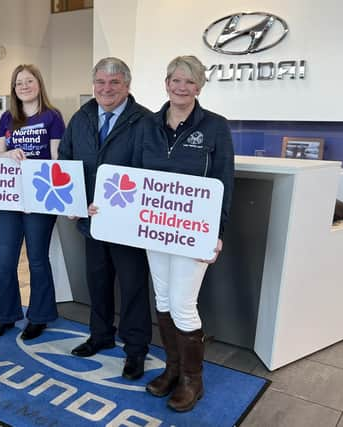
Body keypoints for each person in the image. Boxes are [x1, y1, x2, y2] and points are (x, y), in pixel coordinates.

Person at [138, 55, 234, 412]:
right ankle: (173, 370)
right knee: (162, 299)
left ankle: (194, 380)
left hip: (195, 231)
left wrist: (217, 231)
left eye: (189, 82)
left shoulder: (215, 127)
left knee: (182, 303)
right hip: (154, 228)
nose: (181, 87)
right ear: (166, 83)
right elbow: (132, 173)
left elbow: (224, 182)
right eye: (176, 80)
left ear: (200, 87)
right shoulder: (148, 125)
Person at [58, 57, 152, 380]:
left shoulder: (145, 121)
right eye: (100, 82)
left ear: (127, 85)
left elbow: (150, 171)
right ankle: (100, 336)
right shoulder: (81, 117)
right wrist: (74, 201)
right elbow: (65, 160)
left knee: (133, 287)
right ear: (93, 84)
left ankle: (136, 349)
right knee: (97, 282)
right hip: (91, 222)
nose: (106, 88)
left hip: (127, 226)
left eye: (114, 82)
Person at [0, 64, 65, 341]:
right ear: (14, 89)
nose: (24, 86)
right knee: (5, 261)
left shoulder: (52, 117)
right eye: (19, 83)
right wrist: (10, 154)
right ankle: (6, 315)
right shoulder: (8, 117)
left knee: (37, 259)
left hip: (39, 198)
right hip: (10, 197)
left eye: (29, 81)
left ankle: (39, 316)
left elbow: (57, 161)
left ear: (39, 84)